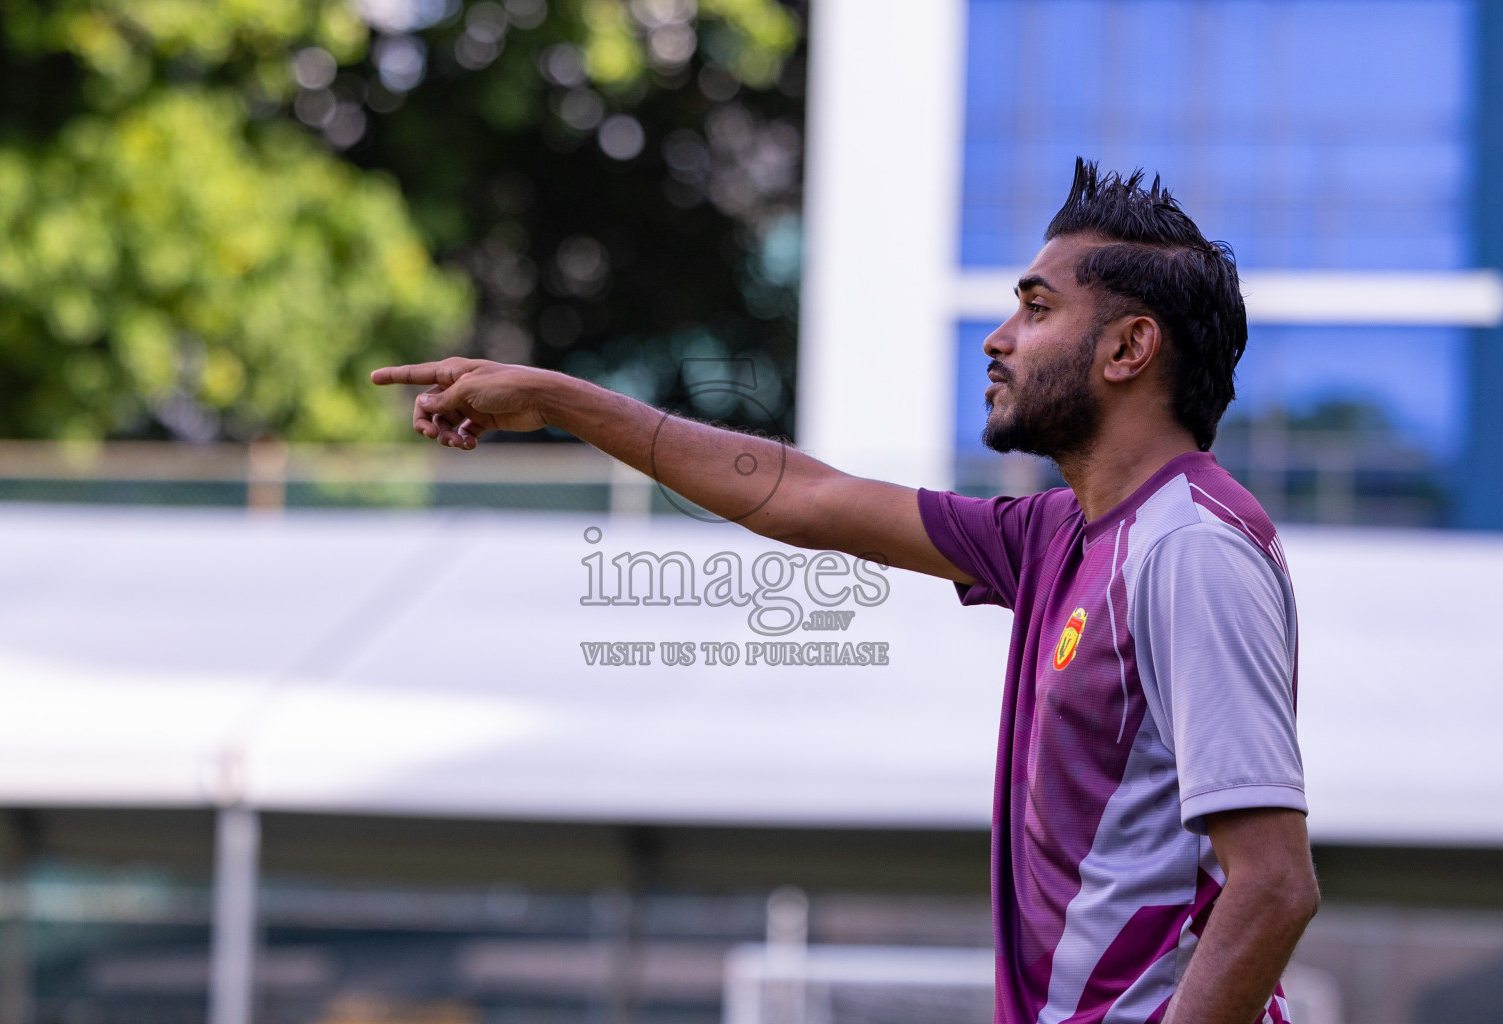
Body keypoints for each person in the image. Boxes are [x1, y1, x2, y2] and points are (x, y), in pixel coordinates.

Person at [372, 158, 1319, 1024]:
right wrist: (561, 402)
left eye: (1035, 309)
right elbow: (807, 496)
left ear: (1128, 349)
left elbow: (1273, 886)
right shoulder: (1058, 536)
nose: (998, 340)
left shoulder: (1191, 547)